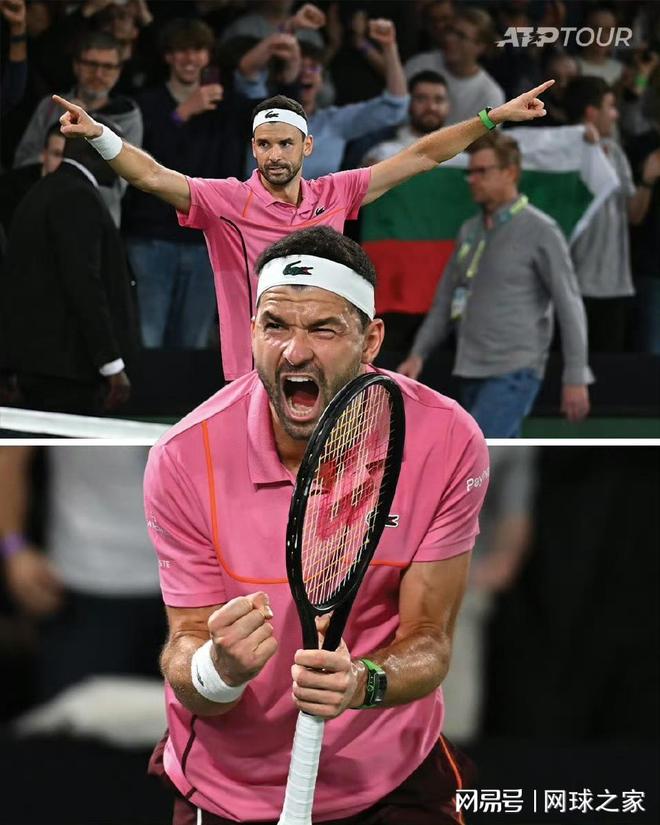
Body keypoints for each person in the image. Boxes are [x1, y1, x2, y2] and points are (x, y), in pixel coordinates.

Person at [143, 225, 490, 825]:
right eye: (274, 325)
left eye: (323, 329)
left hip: (390, 780)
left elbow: (430, 639)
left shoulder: (447, 440)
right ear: (251, 331)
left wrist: (363, 683)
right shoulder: (183, 457)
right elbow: (187, 647)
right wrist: (218, 671)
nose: (294, 353)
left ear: (370, 340)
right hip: (233, 790)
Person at [52, 76, 556, 381]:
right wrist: (98, 134)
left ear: (306, 147)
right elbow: (151, 176)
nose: (274, 155)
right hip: (253, 377)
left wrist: (492, 117)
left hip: (326, 373)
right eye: (264, 144)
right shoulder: (224, 200)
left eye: (285, 144)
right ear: (254, 147)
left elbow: (423, 155)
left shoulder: (337, 192)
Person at [397, 131, 592, 438]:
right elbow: (445, 301)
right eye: (470, 172)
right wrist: (418, 354)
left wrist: (576, 375)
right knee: (490, 457)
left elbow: (570, 305)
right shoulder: (469, 230)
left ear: (510, 173)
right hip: (469, 369)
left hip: (514, 369)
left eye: (482, 171)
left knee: (480, 452)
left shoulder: (542, 231)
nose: (473, 179)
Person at [122, 18, 275, 350]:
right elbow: (139, 165)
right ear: (168, 56)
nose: (189, 59)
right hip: (152, 237)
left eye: (198, 50)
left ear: (208, 57)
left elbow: (270, 115)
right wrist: (182, 114)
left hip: (209, 240)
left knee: (194, 341)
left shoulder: (228, 106)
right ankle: (148, 388)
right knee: (149, 338)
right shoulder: (146, 104)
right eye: (181, 51)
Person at [0, 445, 165, 702]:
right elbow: (10, 454)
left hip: (187, 580)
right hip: (81, 580)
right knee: (72, 720)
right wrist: (14, 549)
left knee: (185, 719)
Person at [0, 120, 137, 415]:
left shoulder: (44, 190)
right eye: (117, 150)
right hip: (67, 370)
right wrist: (111, 364)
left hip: (40, 364)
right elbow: (84, 284)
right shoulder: (76, 196)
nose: (123, 161)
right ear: (95, 152)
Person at [244, 22, 409, 180]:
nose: (306, 73)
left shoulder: (334, 122)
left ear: (322, 80)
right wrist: (289, 28)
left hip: (319, 201)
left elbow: (394, 106)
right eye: (299, 67)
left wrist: (389, 46)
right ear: (281, 76)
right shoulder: (259, 115)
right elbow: (247, 73)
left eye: (313, 67)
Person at [564, 76, 658, 352]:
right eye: (610, 107)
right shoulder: (561, 152)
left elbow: (634, 215)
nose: (616, 114)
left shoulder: (615, 152)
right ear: (592, 112)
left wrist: (648, 180)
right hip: (573, 284)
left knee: (609, 368)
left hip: (615, 285)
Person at [13, 30, 143, 227]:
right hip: (42, 214)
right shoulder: (51, 106)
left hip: (96, 219)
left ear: (119, 71)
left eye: (108, 67)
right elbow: (23, 162)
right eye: (91, 64)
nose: (98, 74)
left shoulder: (128, 116)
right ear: (76, 65)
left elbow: (122, 180)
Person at [404, 6, 505, 126]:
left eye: (461, 36)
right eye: (450, 31)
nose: (449, 39)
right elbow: (397, 111)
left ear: (480, 46)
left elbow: (488, 133)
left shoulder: (489, 95)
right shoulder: (419, 65)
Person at [363, 70, 450, 164]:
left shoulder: (461, 157)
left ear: (448, 106)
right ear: (408, 103)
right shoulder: (383, 154)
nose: (431, 107)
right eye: (421, 99)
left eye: (439, 100)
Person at [0, 123, 65, 243]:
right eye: (57, 154)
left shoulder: (78, 191)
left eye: (67, 157)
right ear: (44, 154)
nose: (63, 163)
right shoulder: (10, 189)